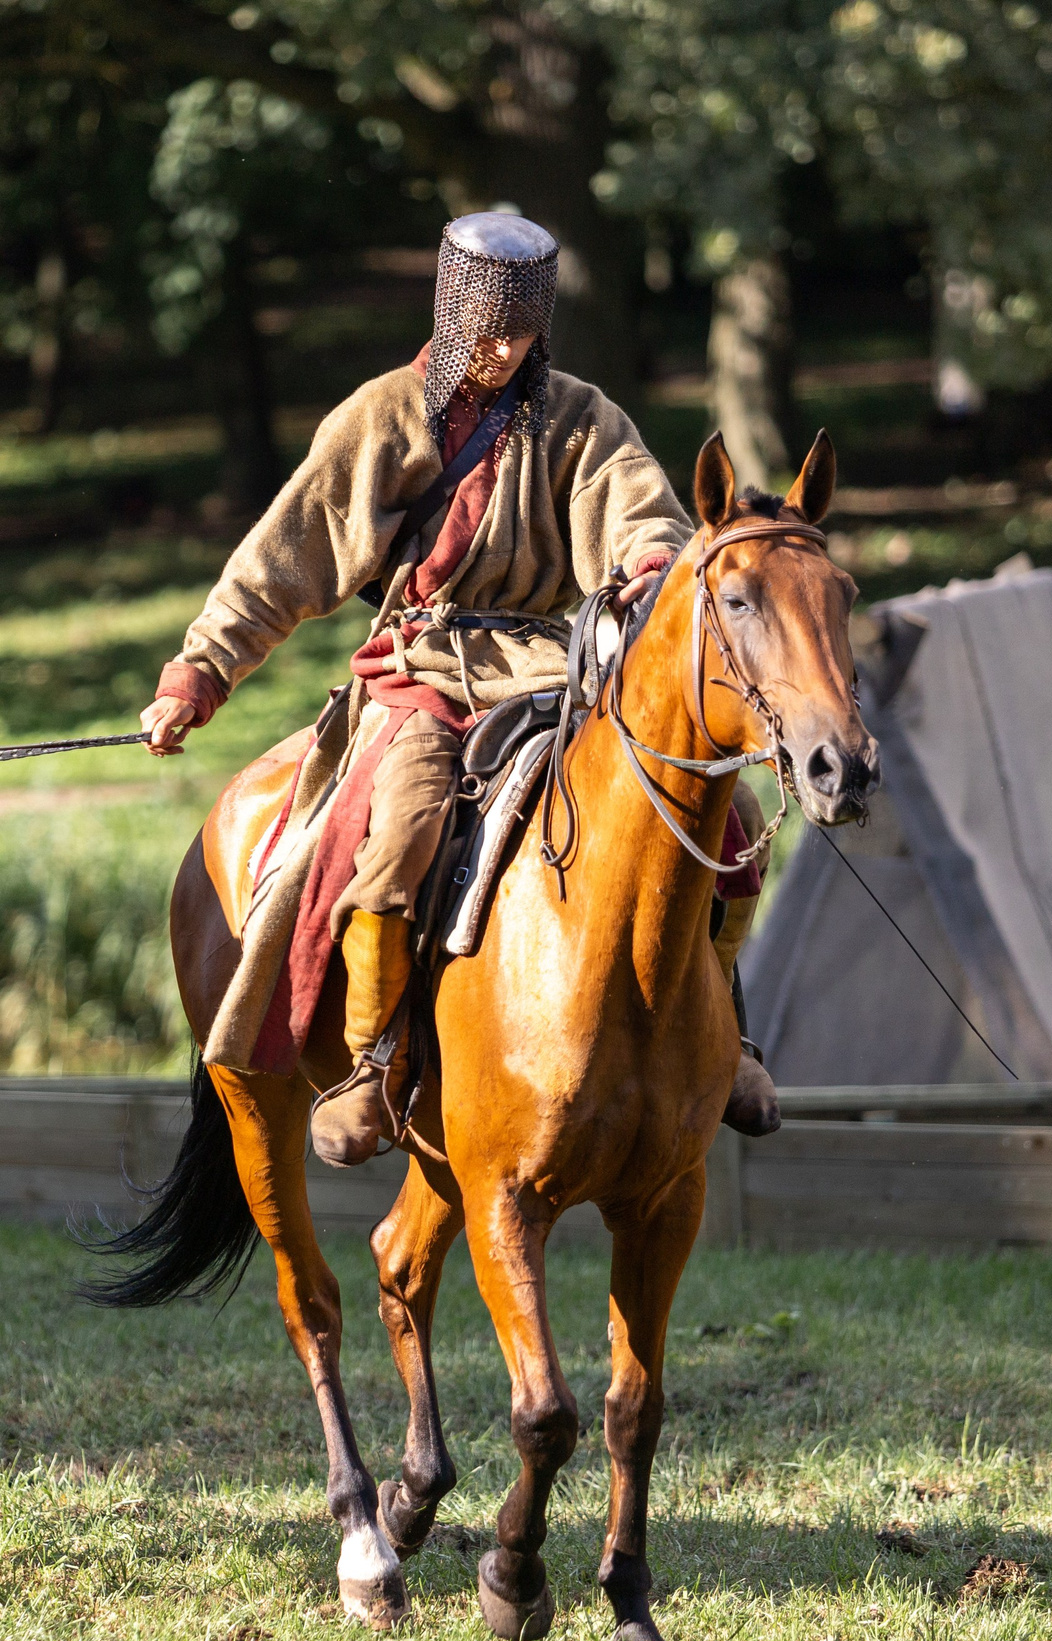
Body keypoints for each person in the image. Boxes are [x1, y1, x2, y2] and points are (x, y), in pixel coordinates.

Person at [140, 211, 772, 1163]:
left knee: (722, 824)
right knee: (397, 834)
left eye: (521, 331)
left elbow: (643, 511)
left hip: (556, 671)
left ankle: (731, 1028)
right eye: (489, 329)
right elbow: (280, 557)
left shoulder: (580, 418)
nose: (504, 348)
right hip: (423, 674)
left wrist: (649, 563)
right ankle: (373, 1058)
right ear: (454, 308)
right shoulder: (381, 418)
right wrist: (199, 671)